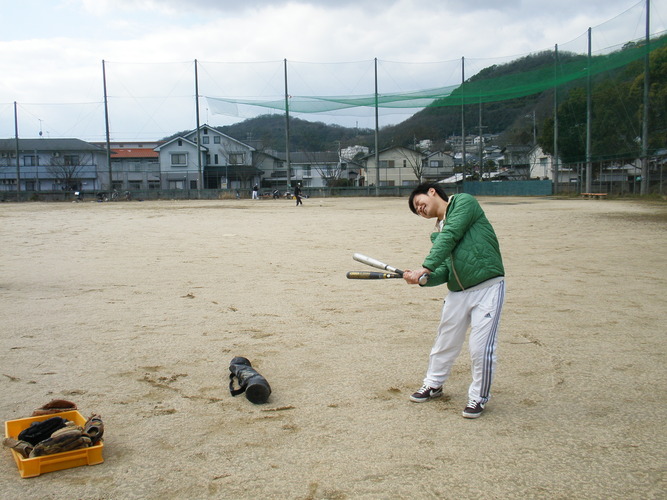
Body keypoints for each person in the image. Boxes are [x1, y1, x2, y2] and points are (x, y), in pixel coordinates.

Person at [403, 182, 505, 419]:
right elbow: (446, 271)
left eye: (419, 203)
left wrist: (425, 267)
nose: (419, 209)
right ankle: (433, 384)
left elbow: (451, 235)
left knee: (480, 348)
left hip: (488, 287)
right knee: (445, 342)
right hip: (458, 293)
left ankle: (478, 397)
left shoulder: (463, 202)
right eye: (417, 210)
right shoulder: (438, 233)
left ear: (432, 191)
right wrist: (424, 279)